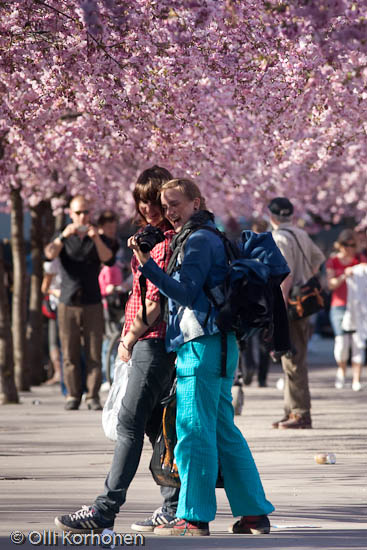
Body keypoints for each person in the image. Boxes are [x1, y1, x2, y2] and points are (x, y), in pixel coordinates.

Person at [128, 178, 274, 536]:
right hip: (220, 345)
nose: (170, 212)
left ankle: (193, 517)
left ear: (197, 203)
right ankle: (254, 514)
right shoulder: (213, 237)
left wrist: (148, 266)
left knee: (193, 432)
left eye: (176, 203)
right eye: (166, 205)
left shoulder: (197, 241)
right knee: (224, 432)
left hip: (201, 346)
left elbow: (187, 293)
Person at [54, 166, 180, 534]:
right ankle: (173, 506)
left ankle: (105, 510)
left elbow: (154, 302)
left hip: (152, 341)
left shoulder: (164, 242)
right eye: (140, 199)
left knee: (129, 424)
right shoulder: (150, 238)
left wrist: (128, 339)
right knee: (156, 428)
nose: (147, 206)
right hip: (149, 341)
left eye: (153, 198)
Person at [44, 195, 116, 411]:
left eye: (86, 212)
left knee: (94, 350)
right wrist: (62, 237)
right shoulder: (63, 236)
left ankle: (92, 396)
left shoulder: (98, 236)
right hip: (68, 300)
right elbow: (49, 256)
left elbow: (109, 259)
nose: (82, 217)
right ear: (70, 214)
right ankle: (73, 395)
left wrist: (95, 238)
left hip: (93, 300)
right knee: (70, 351)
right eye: (78, 213)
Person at [269, 197, 325, 429]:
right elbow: (318, 259)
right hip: (304, 302)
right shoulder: (300, 234)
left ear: (271, 216)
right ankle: (291, 410)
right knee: (291, 358)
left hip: (290, 305)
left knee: (293, 359)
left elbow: (286, 275)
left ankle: (300, 413)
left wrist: (278, 306)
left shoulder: (280, 237)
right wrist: (306, 279)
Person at [326, 229, 365, 391]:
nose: (349, 248)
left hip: (358, 305)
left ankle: (356, 379)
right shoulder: (333, 261)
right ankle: (341, 370)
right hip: (339, 306)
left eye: (353, 245)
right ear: (340, 245)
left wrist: (360, 268)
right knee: (342, 343)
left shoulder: (360, 260)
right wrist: (344, 276)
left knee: (358, 342)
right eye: (346, 245)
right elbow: (330, 284)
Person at [41, 258, 62, 387]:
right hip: (55, 307)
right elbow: (44, 288)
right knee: (54, 341)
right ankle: (58, 372)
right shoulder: (52, 265)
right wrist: (54, 292)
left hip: (71, 305)